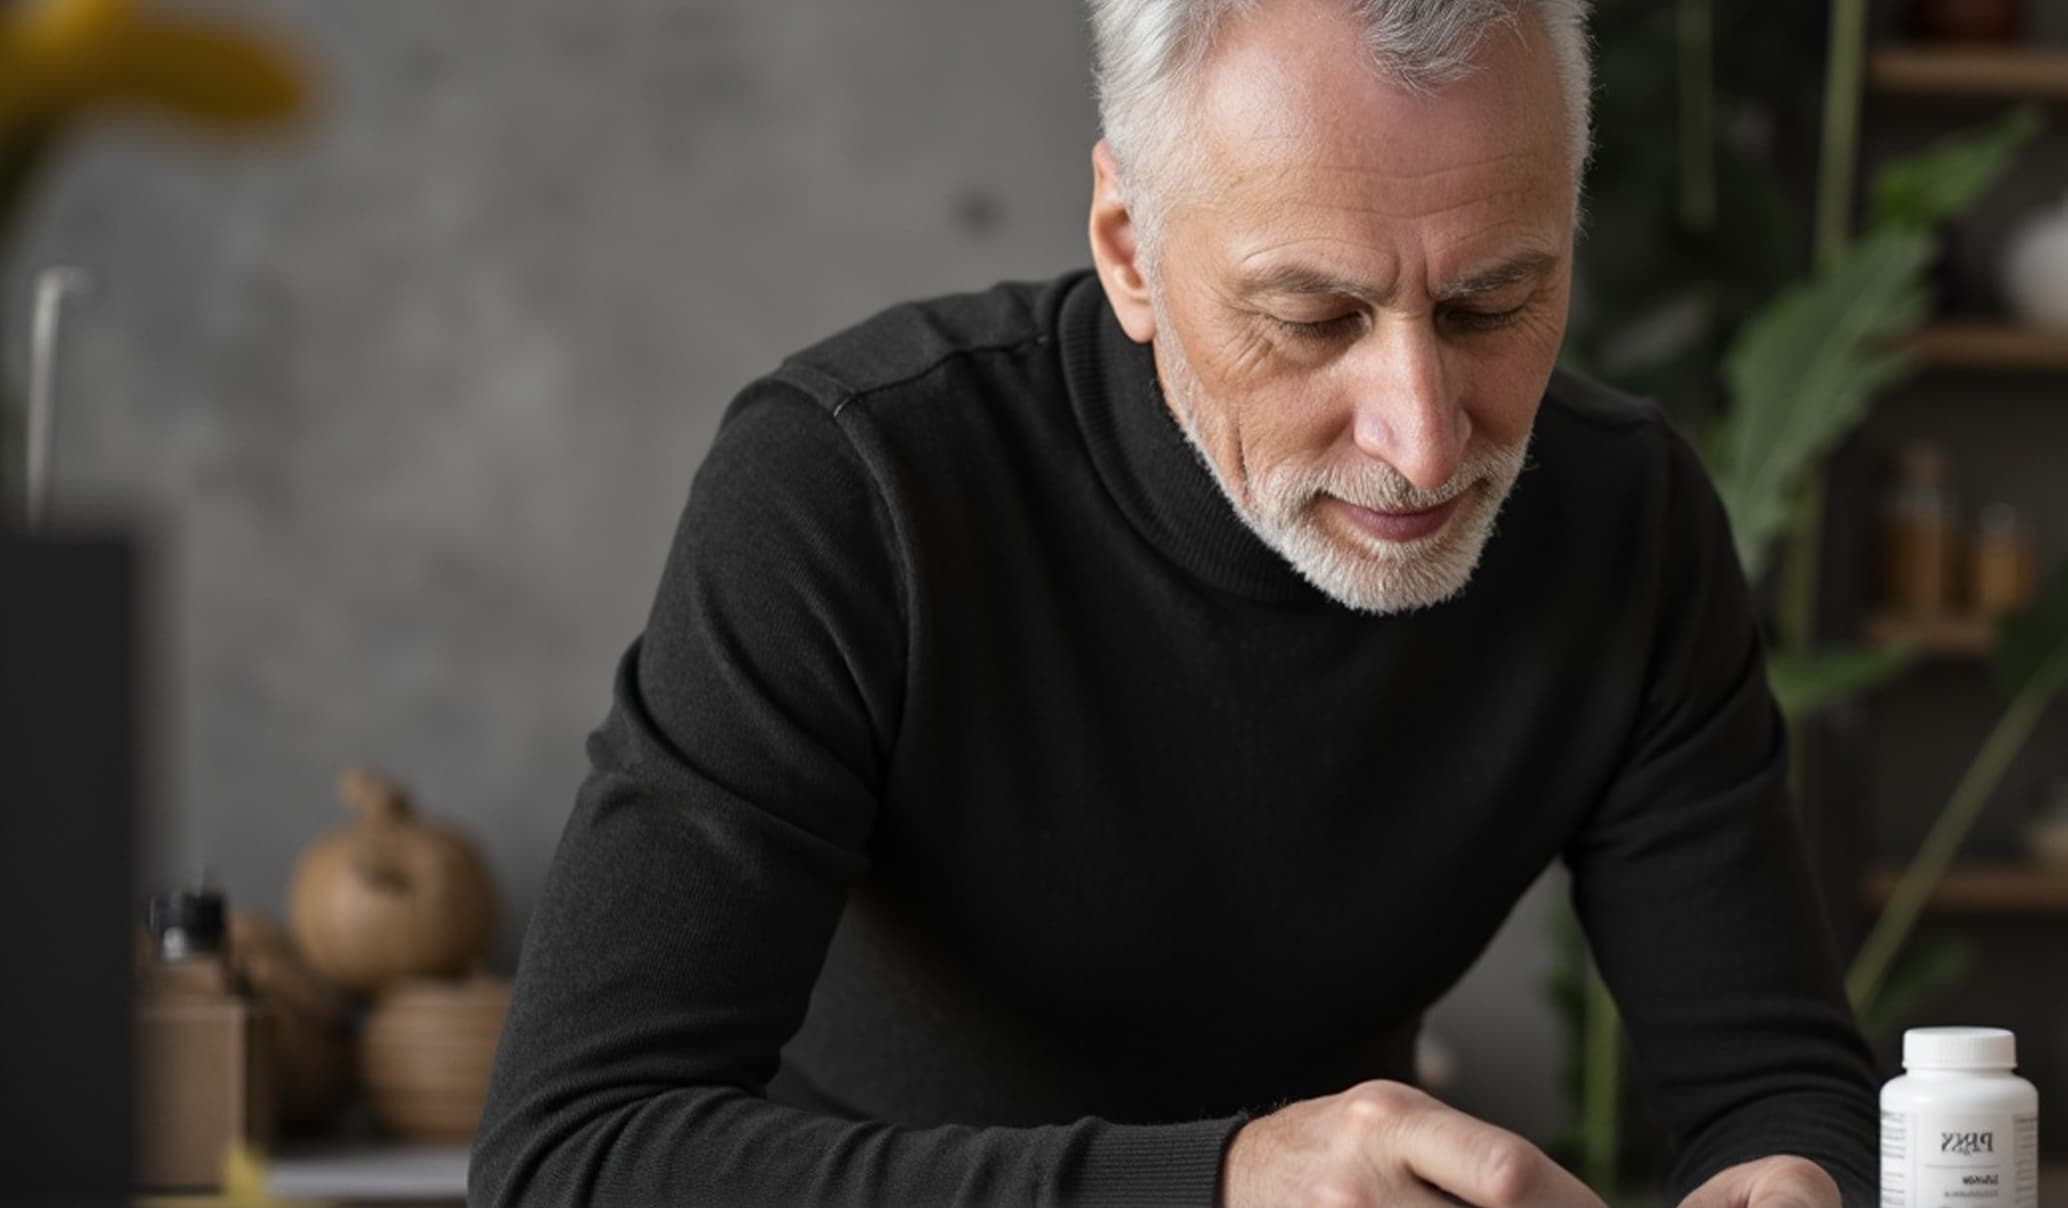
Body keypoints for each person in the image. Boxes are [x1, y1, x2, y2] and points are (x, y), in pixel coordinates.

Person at [468, 0, 1879, 1204]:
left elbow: (1772, 1091)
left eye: (1493, 303)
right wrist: (1216, 1182)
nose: (1427, 440)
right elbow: (572, 1156)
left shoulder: (1625, 521)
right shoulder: (855, 488)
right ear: (1131, 250)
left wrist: (1790, 1173)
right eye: (1314, 319)